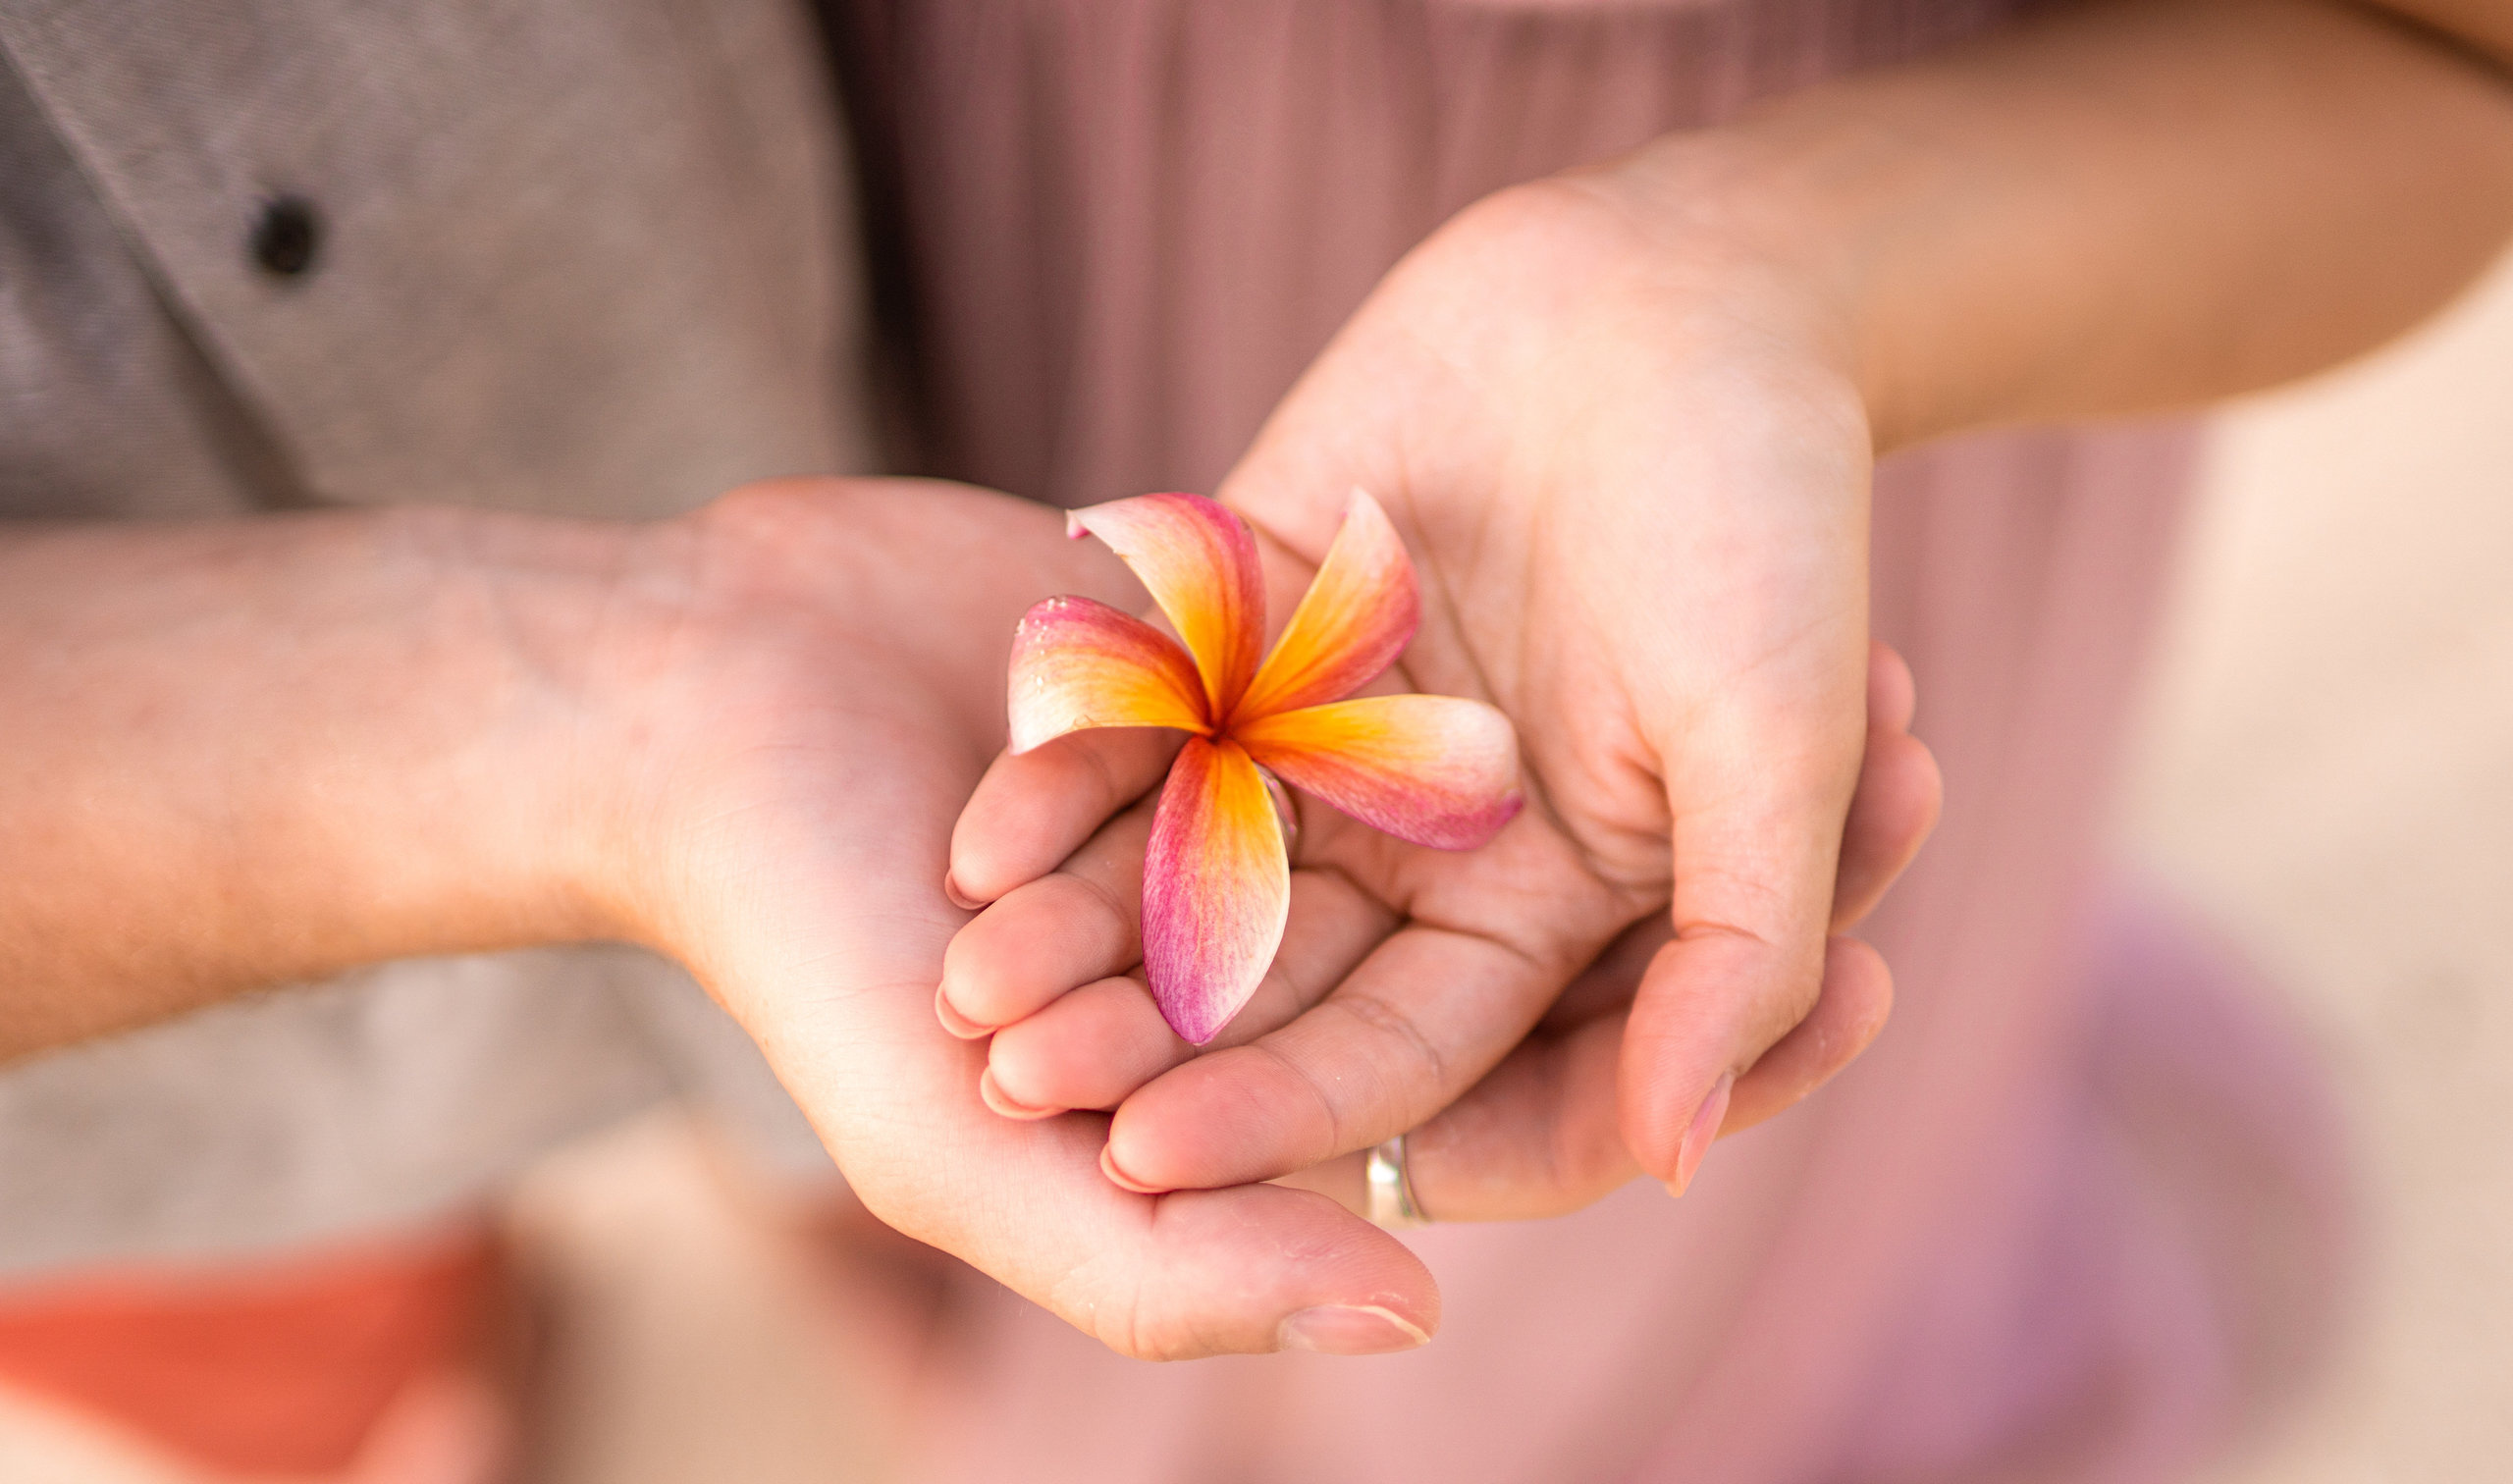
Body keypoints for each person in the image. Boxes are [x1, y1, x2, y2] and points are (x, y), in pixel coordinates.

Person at [0, 0, 2505, 1477]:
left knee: (1554, 1264)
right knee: (969, 1150)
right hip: (1016, 283)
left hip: (1770, 321)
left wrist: (1748, 274)